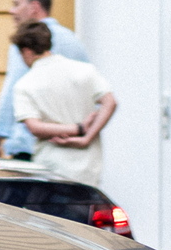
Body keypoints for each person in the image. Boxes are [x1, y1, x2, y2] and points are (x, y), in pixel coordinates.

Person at [0, 0, 88, 159]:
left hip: (29, 144)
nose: (12, 11)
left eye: (16, 4)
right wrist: (83, 132)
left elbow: (12, 91)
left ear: (34, 7)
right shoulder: (73, 41)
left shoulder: (27, 41)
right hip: (69, 144)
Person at [9, 19, 116, 187]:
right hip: (88, 167)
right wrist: (86, 137)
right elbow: (110, 102)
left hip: (51, 166)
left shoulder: (24, 85)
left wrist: (77, 128)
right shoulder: (84, 70)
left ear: (27, 51)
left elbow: (35, 128)